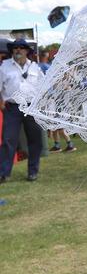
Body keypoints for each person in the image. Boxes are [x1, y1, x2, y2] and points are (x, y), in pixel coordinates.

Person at [0, 38, 45, 182]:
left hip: (31, 107)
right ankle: (4, 173)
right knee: (8, 140)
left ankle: (33, 172)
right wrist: (1, 104)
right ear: (12, 50)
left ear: (26, 51)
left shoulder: (35, 68)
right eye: (15, 48)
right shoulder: (4, 67)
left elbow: (43, 87)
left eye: (21, 47)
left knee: (35, 140)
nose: (18, 50)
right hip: (12, 108)